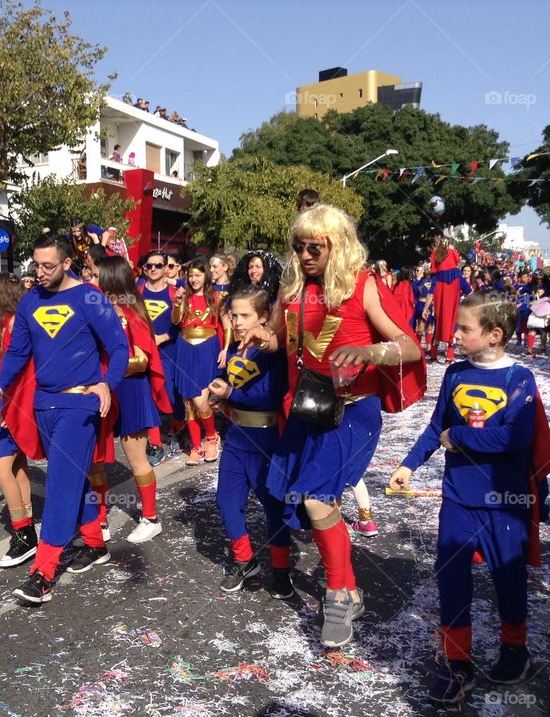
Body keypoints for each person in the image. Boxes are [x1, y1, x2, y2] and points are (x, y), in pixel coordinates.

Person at [243, 204, 425, 648]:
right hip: (305, 410)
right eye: (299, 246)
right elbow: (282, 342)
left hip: (352, 410)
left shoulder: (362, 286)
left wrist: (370, 354)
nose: (305, 255)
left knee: (318, 500)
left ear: (336, 246)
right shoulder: (292, 290)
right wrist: (261, 339)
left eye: (315, 247)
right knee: (289, 494)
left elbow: (410, 347)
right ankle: (339, 574)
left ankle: (341, 592)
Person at [390, 291, 550, 705]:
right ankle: (457, 664)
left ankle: (514, 650)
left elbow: (514, 438)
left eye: (465, 328)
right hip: (458, 500)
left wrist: (459, 437)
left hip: (506, 502)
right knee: (452, 582)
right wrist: (410, 463)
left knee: (509, 581)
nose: (455, 333)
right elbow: (436, 426)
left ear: (494, 334)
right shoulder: (454, 374)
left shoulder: (519, 379)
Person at [0, 233, 128, 604]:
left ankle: (42, 572)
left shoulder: (89, 296)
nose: (40, 272)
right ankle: (93, 542)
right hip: (43, 406)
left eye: (48, 266)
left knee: (59, 484)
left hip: (80, 406)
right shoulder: (30, 301)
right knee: (72, 478)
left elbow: (120, 346)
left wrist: (106, 384)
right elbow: (17, 353)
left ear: (67, 263)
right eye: (36, 265)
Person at [208, 287, 290, 596]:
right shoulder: (233, 349)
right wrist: (221, 399)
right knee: (227, 502)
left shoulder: (272, 352)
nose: (239, 322)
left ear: (265, 317)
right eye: (234, 315)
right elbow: (232, 386)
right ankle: (245, 561)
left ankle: (282, 570)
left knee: (273, 506)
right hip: (235, 439)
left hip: (266, 440)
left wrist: (232, 395)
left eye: (246, 315)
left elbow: (271, 395)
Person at [88, 256, 171, 544]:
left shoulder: (132, 311)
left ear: (110, 278)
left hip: (131, 389)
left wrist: (104, 369)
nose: (90, 280)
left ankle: (151, 518)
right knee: (94, 458)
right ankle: (99, 520)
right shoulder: (95, 308)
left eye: (96, 275)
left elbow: (143, 359)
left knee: (136, 458)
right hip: (101, 390)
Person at [0, 273, 37, 567]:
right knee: (16, 466)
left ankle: (24, 534)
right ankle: (28, 525)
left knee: (1, 467)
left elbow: (24, 374)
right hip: (7, 400)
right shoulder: (6, 323)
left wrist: (7, 408)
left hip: (17, 404)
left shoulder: (16, 324)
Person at [171, 258, 221, 466]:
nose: (193, 279)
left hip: (206, 347)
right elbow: (175, 321)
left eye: (198, 275)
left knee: (200, 400)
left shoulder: (216, 297)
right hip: (185, 347)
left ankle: (211, 436)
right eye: (190, 275)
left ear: (205, 276)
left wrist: (226, 350)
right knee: (187, 403)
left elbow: (224, 324)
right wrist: (177, 303)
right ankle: (196, 446)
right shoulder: (184, 296)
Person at [137, 250, 182, 464]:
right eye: (149, 266)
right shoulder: (137, 291)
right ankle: (154, 442)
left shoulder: (175, 293)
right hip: (144, 352)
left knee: (172, 394)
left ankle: (178, 426)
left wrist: (162, 337)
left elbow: (185, 324)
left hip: (169, 351)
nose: (153, 269)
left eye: (157, 265)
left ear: (166, 268)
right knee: (148, 396)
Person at [429, 234, 464, 363]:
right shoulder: (457, 275)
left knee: (437, 329)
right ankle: (449, 357)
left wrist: (426, 307)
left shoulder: (436, 278)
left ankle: (433, 355)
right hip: (453, 309)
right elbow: (468, 290)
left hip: (438, 308)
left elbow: (430, 293)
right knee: (452, 330)